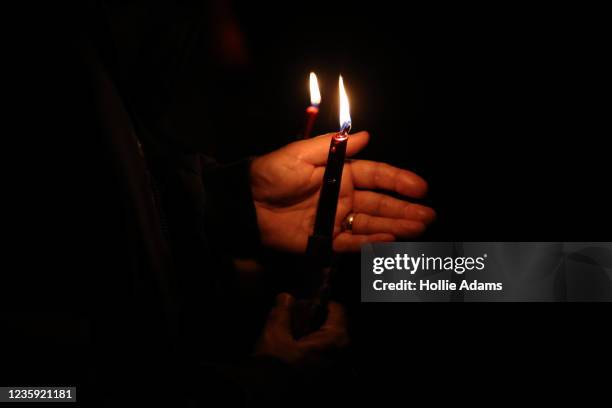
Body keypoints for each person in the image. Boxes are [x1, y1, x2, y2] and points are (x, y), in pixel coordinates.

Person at [2, 1, 434, 406]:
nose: (229, 45)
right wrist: (255, 383)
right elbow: (33, 389)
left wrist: (232, 201)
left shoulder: (99, 74)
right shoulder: (48, 68)